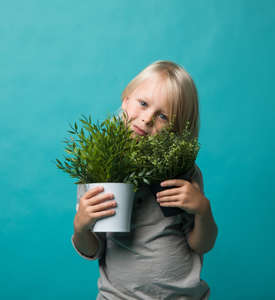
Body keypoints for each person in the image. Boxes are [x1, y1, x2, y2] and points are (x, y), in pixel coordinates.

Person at [71, 60, 218, 299]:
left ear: (178, 129)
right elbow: (93, 250)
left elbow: (201, 245)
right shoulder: (99, 165)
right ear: (125, 99)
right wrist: (81, 226)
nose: (148, 118)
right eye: (143, 103)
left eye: (163, 116)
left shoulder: (184, 171)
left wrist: (203, 209)